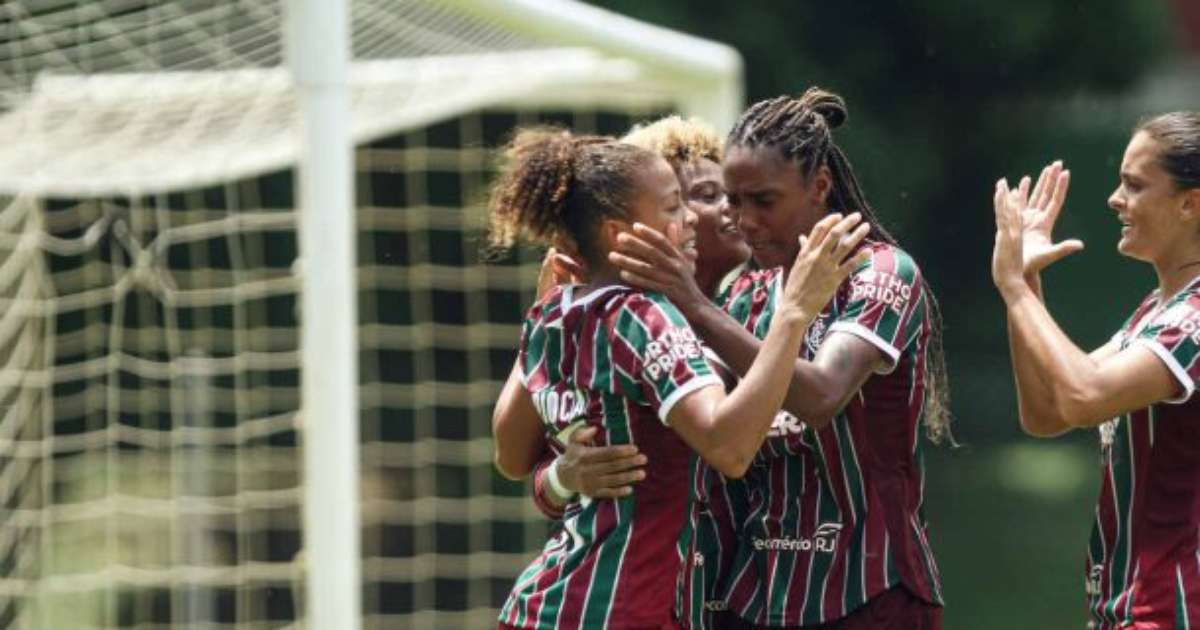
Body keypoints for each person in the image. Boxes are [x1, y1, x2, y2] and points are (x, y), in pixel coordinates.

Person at [487, 127, 869, 629]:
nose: (706, 215)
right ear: (617, 232)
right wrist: (795, 314)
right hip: (620, 607)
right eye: (681, 203)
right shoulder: (639, 315)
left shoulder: (566, 310)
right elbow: (728, 447)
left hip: (586, 605)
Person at [609, 88, 949, 628]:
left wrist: (694, 305)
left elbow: (821, 396)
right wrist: (559, 474)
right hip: (757, 596)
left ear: (819, 186)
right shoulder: (746, 295)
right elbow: (700, 420)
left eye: (763, 201)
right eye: (733, 200)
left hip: (869, 591)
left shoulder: (881, 273)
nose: (743, 220)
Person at [526, 116, 756, 629]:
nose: (725, 211)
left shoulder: (745, 309)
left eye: (735, 196)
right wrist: (565, 476)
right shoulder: (624, 315)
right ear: (622, 229)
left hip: (716, 596)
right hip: (624, 601)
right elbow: (518, 456)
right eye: (693, 197)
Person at [992, 111, 1200, 629]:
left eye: (1133, 185)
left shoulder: (1195, 317)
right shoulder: (1156, 311)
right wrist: (1028, 283)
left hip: (1176, 608)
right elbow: (1046, 413)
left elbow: (1085, 394)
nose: (1114, 198)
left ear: (1190, 204)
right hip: (1128, 606)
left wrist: (1015, 289)